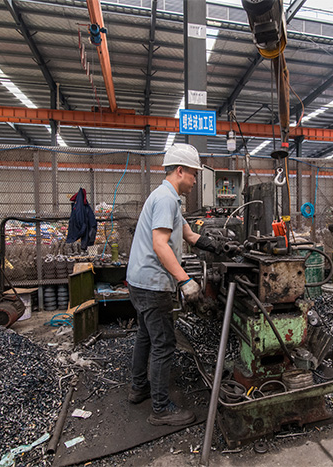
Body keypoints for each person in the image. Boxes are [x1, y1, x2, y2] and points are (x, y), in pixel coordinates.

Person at [125, 143, 220, 426]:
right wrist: (186, 281)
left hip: (138, 281)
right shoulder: (166, 199)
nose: (195, 180)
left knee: (145, 335)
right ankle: (161, 410)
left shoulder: (168, 197)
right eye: (193, 174)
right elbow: (160, 245)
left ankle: (138, 388)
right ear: (180, 171)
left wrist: (216, 245)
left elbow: (189, 234)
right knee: (164, 343)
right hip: (153, 285)